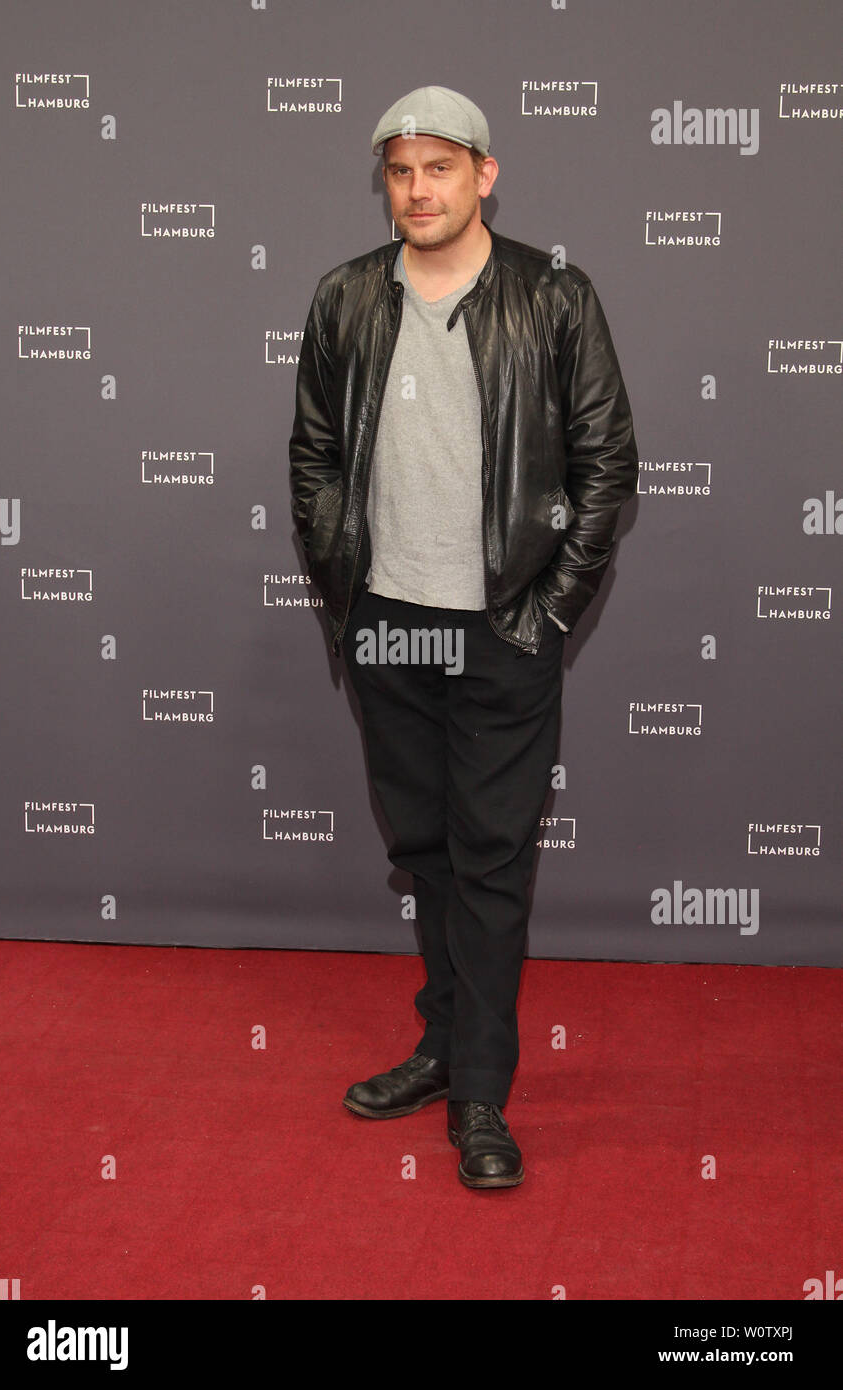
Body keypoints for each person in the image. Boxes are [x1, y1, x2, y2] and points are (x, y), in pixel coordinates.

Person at [289, 86, 638, 1189]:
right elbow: (312, 458)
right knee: (426, 851)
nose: (417, 190)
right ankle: (440, 1044)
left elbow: (605, 467)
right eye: (399, 170)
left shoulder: (553, 297)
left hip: (500, 630)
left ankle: (482, 1094)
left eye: (439, 167)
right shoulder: (345, 297)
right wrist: (347, 588)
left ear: (484, 174)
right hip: (389, 626)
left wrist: (546, 613)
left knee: (490, 862)